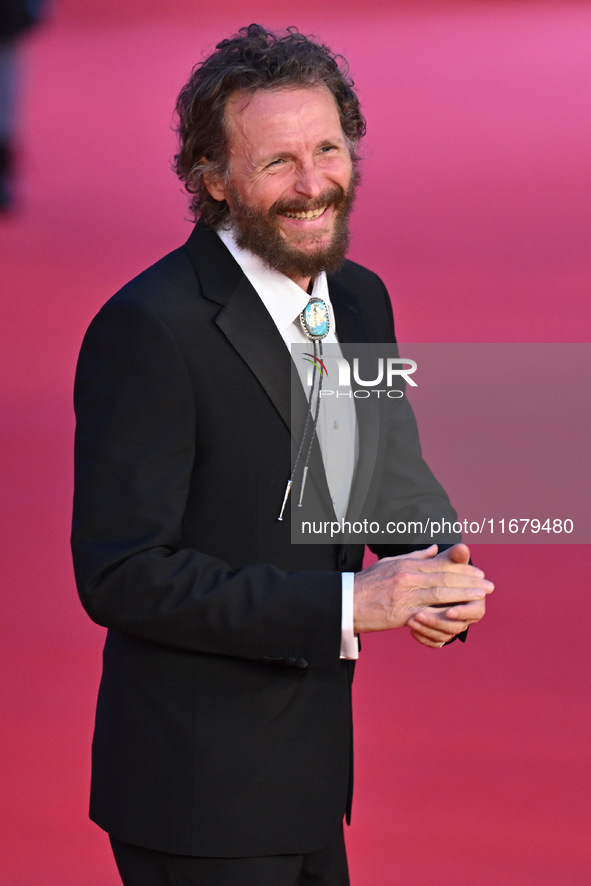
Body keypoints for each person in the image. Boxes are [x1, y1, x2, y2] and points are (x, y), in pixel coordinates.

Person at [71, 24, 493, 886]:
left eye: (329, 150)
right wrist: (347, 602)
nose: (313, 187)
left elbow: (379, 466)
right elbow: (121, 574)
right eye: (275, 164)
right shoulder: (149, 329)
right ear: (212, 180)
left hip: (308, 779)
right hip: (195, 794)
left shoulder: (360, 297)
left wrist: (431, 564)